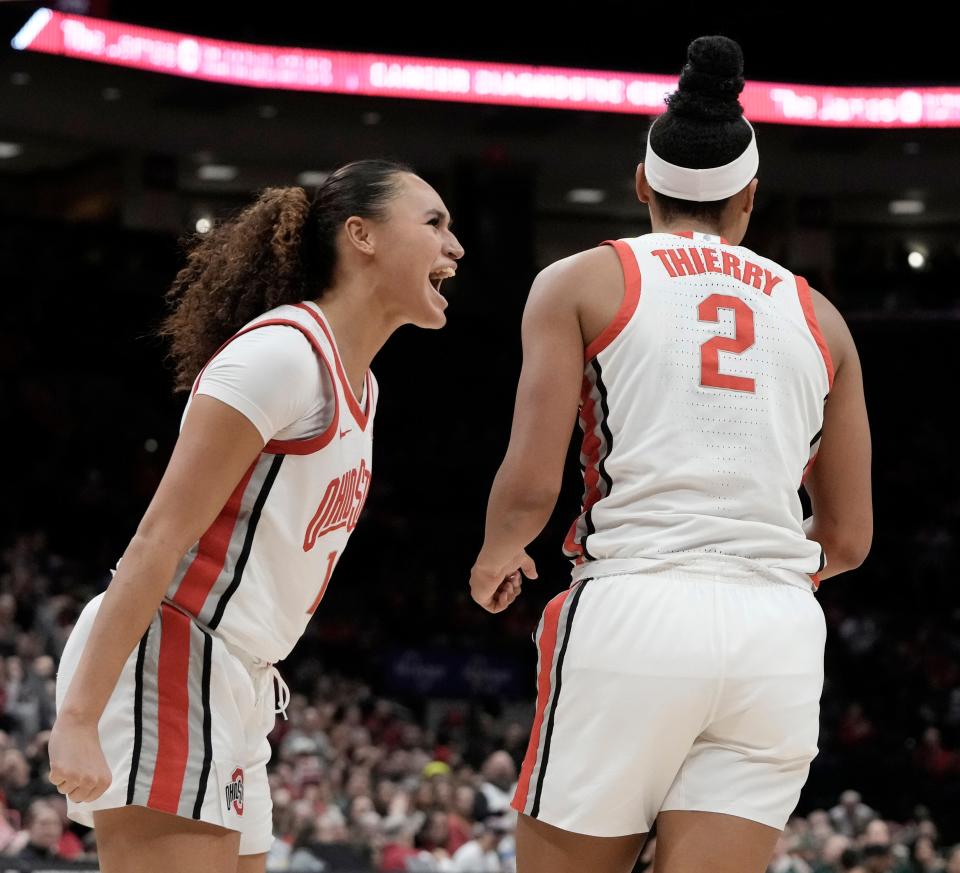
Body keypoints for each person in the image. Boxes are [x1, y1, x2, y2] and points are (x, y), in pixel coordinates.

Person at [468, 35, 872, 873]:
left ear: (642, 184)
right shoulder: (823, 318)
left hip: (636, 606)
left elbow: (533, 480)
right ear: (751, 196)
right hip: (779, 633)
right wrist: (747, 568)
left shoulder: (583, 280)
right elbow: (851, 537)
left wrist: (498, 553)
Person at [47, 159, 464, 873]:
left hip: (239, 676)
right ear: (360, 235)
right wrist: (78, 716)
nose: (454, 245)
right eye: (434, 223)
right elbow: (157, 538)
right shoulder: (282, 354)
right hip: (172, 651)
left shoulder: (360, 384)